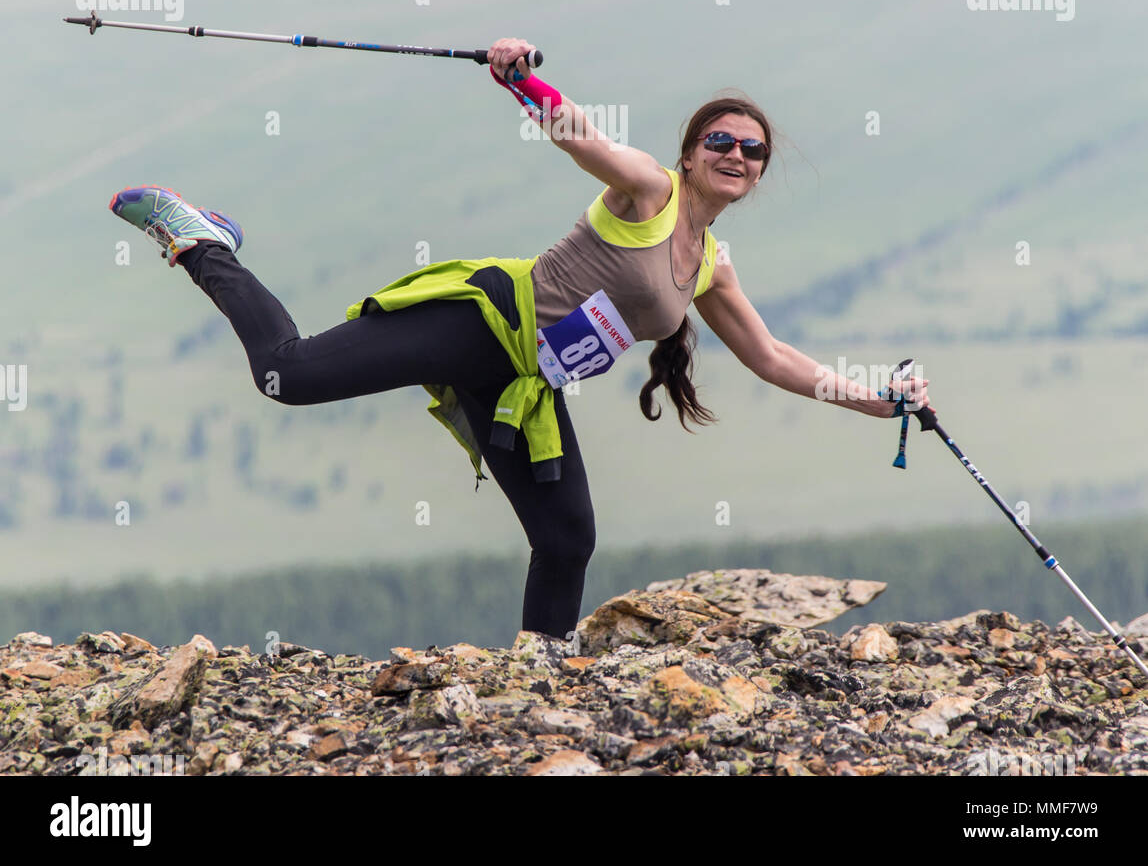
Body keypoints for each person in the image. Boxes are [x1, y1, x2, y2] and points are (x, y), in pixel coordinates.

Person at [108, 36, 929, 642]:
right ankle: (202, 241)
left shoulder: (711, 265)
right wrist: (523, 79)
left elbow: (775, 359)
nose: (738, 155)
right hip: (477, 322)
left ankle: (542, 675)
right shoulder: (648, 189)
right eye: (722, 141)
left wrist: (879, 400)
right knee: (285, 376)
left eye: (753, 151)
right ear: (689, 153)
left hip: (520, 385)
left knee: (568, 538)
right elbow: (581, 137)